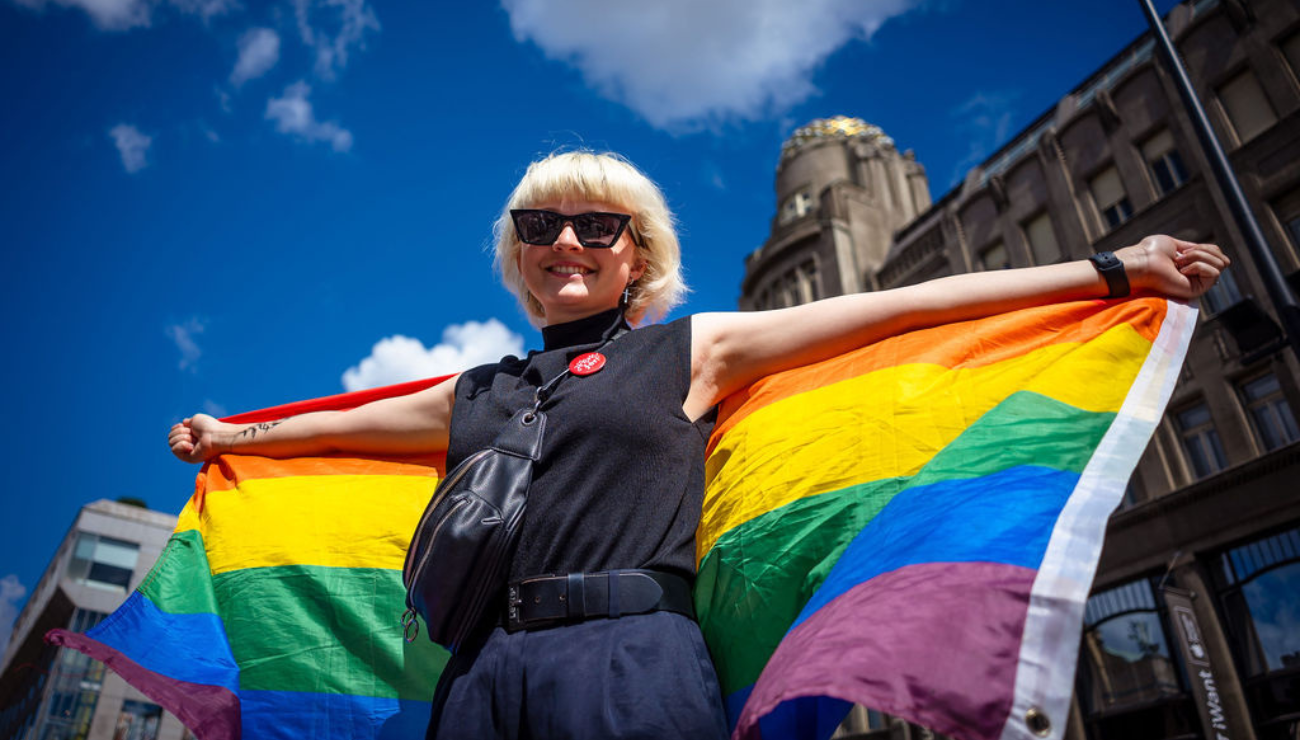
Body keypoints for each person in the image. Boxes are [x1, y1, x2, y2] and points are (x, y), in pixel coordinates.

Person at [169, 151, 1229, 739]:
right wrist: (233, 431)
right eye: (540, 228)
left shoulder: (697, 346)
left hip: (629, 660)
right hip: (482, 675)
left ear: (637, 256)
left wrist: (1109, 269)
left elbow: (902, 307)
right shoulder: (476, 391)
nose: (567, 243)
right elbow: (334, 424)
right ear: (519, 259)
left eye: (597, 225)